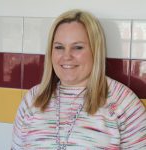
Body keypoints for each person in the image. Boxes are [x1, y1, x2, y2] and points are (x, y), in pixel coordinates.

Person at [11, 9, 146, 150]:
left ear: (95, 50)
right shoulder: (32, 99)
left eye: (77, 47)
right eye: (59, 47)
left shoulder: (123, 102)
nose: (66, 56)